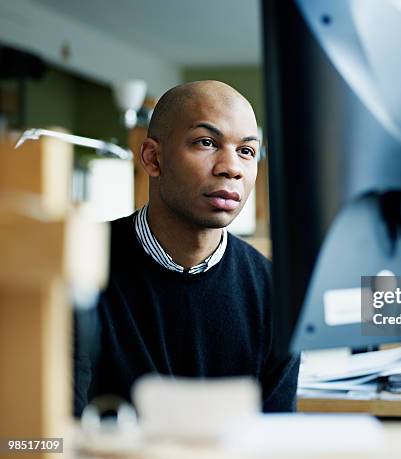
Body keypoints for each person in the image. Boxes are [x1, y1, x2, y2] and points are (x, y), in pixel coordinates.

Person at [74, 80, 299, 415]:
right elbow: (53, 429)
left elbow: (274, 437)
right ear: (153, 158)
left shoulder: (274, 293)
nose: (232, 168)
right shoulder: (78, 264)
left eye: (247, 151)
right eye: (206, 142)